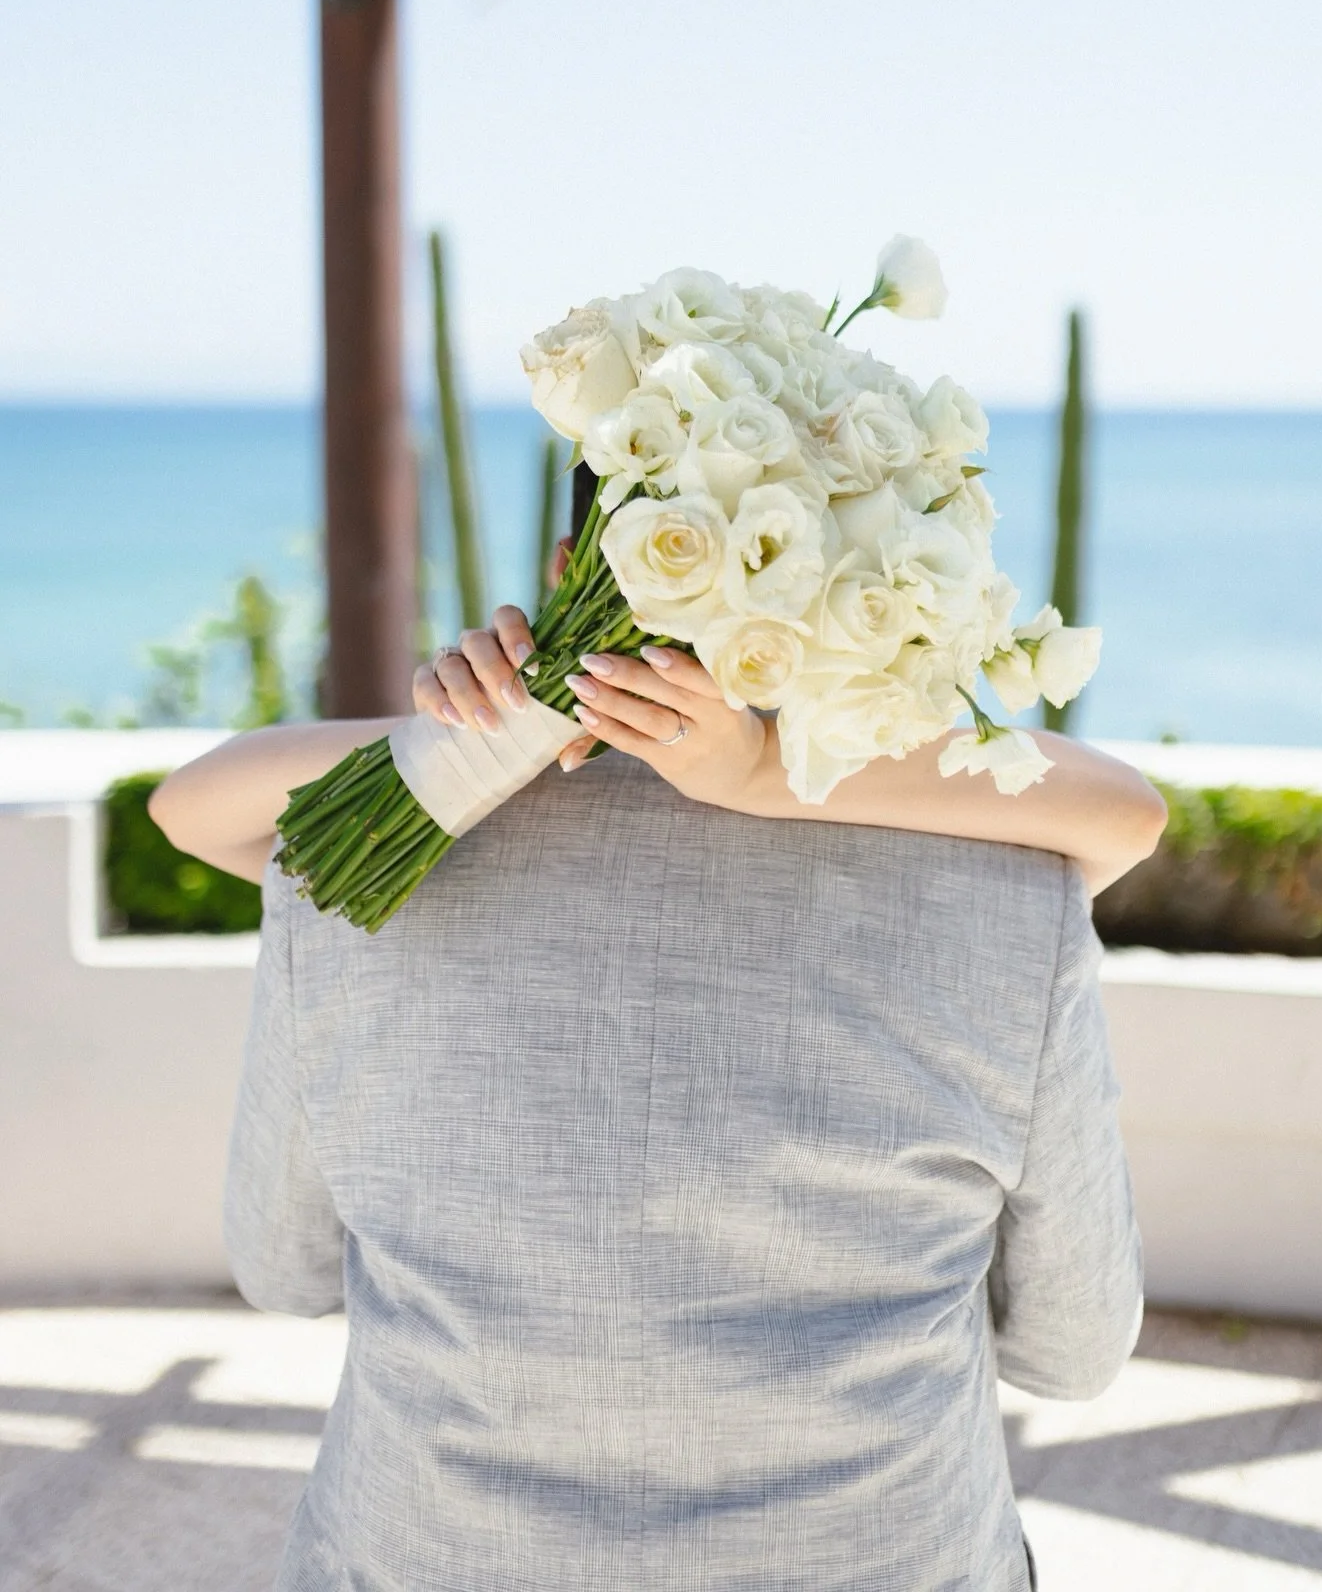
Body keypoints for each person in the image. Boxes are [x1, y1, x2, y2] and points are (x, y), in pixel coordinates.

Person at [150, 482, 1166, 1592]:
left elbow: (283, 1266)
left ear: (564, 571)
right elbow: (1072, 1348)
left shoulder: (340, 890)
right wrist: (772, 762)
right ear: (843, 600)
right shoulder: (1014, 900)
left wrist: (495, 724)